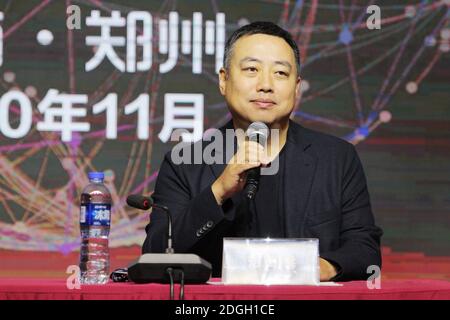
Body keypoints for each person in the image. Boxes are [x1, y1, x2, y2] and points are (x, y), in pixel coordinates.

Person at [143, 21, 383, 281]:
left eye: (280, 73)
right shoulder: (184, 163)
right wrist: (218, 191)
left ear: (297, 87)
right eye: (251, 69)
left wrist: (322, 267)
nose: (266, 85)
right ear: (224, 80)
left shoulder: (336, 159)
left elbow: (365, 251)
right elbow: (156, 254)